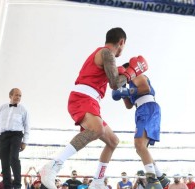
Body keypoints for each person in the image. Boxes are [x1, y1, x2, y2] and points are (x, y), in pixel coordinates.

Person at [39, 27, 148, 189]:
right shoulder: (106, 53)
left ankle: (97, 181)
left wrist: (126, 71)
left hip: (91, 101)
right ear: (121, 42)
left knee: (113, 141)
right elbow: (114, 84)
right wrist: (132, 73)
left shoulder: (107, 59)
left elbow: (115, 82)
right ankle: (53, 165)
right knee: (97, 130)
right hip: (83, 97)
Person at [112, 63, 170, 189]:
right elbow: (128, 106)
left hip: (148, 108)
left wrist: (127, 90)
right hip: (141, 111)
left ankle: (153, 180)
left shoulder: (136, 75)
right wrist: (122, 92)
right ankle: (160, 177)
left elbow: (145, 88)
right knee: (140, 148)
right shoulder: (129, 84)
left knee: (139, 145)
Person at [0, 88, 30, 189]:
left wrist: (25, 141)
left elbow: (27, 126)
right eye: (16, 95)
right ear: (10, 96)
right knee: (4, 160)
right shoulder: (2, 108)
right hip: (4, 135)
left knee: (14, 157)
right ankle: (7, 185)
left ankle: (17, 184)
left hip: (16, 135)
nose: (18, 97)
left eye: (20, 95)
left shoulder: (23, 109)